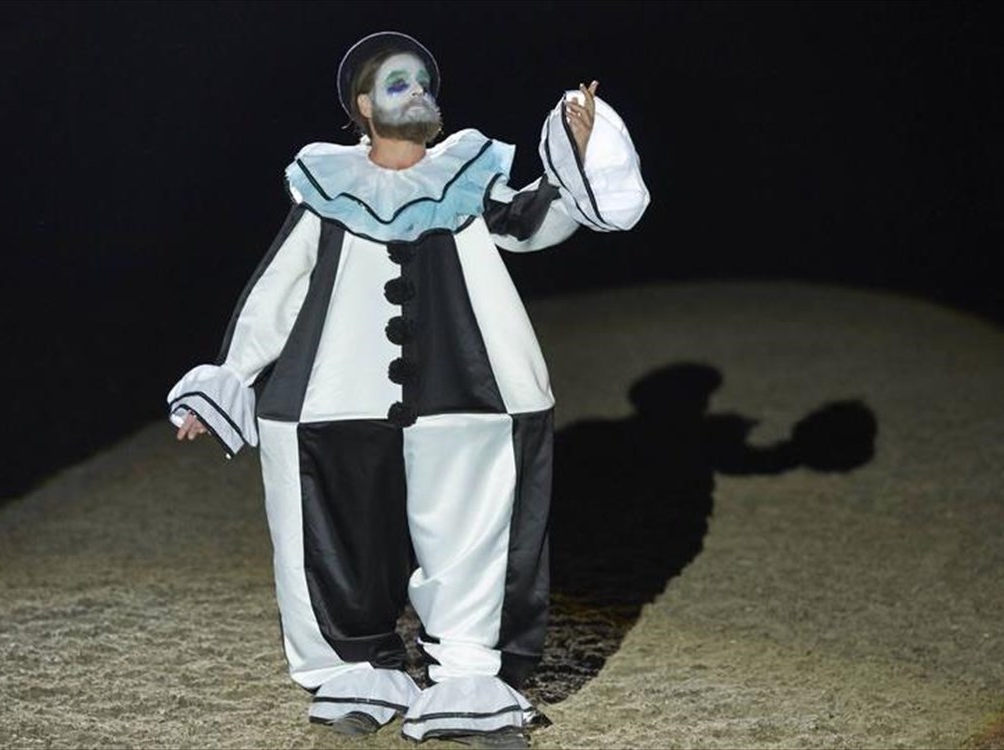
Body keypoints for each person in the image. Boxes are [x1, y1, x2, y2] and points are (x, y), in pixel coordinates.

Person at [167, 30, 648, 748]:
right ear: (363, 106)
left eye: (424, 82)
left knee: (473, 534)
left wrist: (578, 158)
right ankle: (357, 673)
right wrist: (230, 380)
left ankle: (468, 680)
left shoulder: (466, 176)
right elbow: (276, 292)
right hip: (334, 396)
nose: (418, 92)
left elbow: (530, 222)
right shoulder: (329, 187)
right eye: (399, 83)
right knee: (338, 539)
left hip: (474, 394)